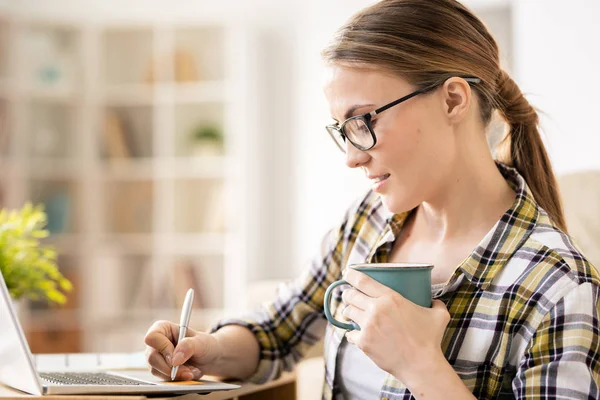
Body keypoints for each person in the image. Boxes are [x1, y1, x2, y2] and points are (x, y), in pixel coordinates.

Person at [144, 0, 600, 398]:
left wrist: (422, 367)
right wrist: (205, 349)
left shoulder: (559, 288)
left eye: (363, 121)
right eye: (342, 131)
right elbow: (277, 333)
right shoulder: (368, 222)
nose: (351, 158)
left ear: (453, 100)